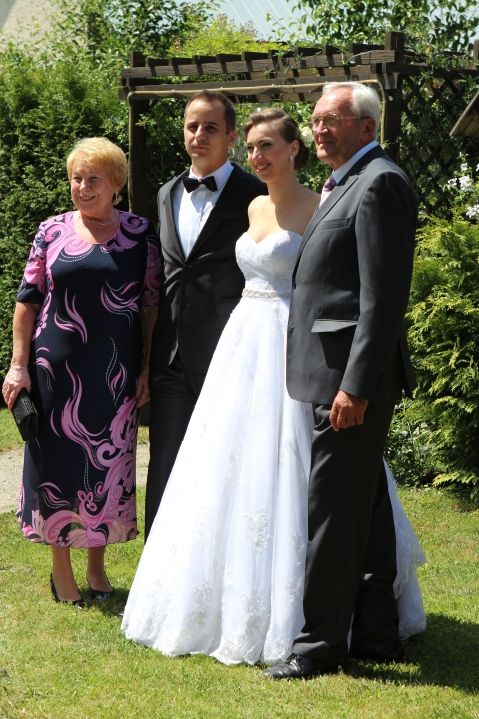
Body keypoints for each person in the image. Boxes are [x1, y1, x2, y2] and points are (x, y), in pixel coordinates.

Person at [121, 109, 425, 664]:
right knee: (225, 465)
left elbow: (345, 280)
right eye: (252, 148)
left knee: (311, 470)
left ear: (293, 150)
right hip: (242, 344)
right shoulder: (253, 206)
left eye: (267, 146)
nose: (256, 156)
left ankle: (339, 607)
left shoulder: (320, 204)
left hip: (295, 343)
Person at [264, 83, 419, 679]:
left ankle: (318, 646)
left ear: (367, 126)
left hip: (346, 383)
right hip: (330, 375)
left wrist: (354, 386)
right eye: (316, 120)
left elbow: (382, 300)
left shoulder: (379, 182)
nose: (321, 129)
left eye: (333, 119)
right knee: (366, 507)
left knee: (331, 513)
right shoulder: (345, 180)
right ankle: (377, 633)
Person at [1, 137, 161, 607]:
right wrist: (17, 366)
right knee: (56, 469)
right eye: (76, 178)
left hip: (114, 374)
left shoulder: (140, 234)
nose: (83, 187)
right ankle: (61, 573)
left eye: (94, 178)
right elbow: (26, 303)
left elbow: (151, 307)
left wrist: (147, 367)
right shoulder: (51, 231)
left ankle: (96, 567)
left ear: (116, 183)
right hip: (53, 371)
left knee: (105, 469)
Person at [145, 90, 267, 538]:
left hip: (227, 351)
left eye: (211, 127)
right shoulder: (166, 192)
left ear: (231, 137)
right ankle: (156, 566)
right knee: (164, 461)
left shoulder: (257, 194)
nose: (199, 134)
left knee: (225, 463)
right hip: (170, 356)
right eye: (192, 126)